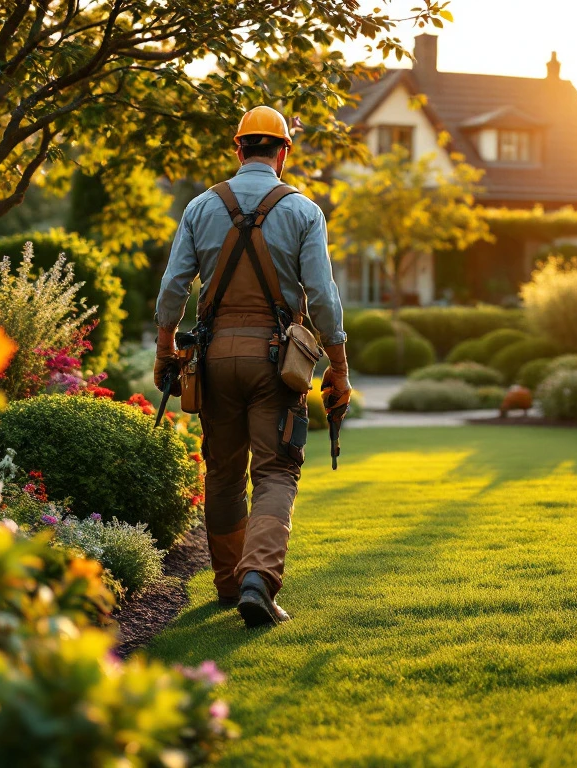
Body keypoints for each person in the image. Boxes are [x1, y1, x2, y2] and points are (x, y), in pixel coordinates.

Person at [154, 106, 351, 627]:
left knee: (221, 473)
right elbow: (324, 299)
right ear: (283, 152)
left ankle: (227, 584)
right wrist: (339, 367)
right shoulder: (304, 211)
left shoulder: (200, 206)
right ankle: (257, 581)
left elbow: (175, 286)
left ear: (238, 149)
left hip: (214, 357)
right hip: (278, 362)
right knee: (276, 471)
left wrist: (165, 348)